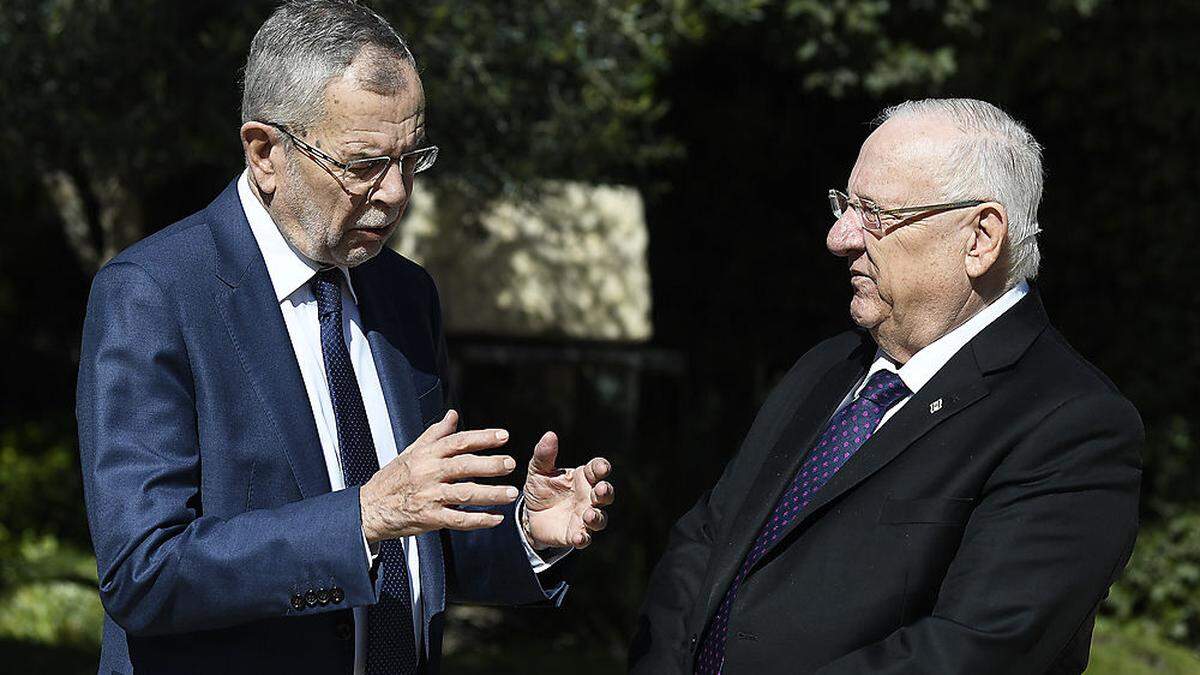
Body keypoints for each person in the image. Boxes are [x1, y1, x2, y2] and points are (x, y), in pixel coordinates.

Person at [76, 2, 614, 673]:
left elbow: (409, 545)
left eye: (411, 158)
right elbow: (143, 572)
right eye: (364, 164)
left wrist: (525, 534)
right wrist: (358, 516)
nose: (395, 193)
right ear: (265, 152)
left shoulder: (405, 295)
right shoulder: (154, 294)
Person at [629, 98, 1141, 674]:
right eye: (844, 205)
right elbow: (705, 542)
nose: (839, 236)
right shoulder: (824, 368)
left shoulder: (1071, 422)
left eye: (873, 213)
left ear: (980, 238)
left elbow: (972, 653)